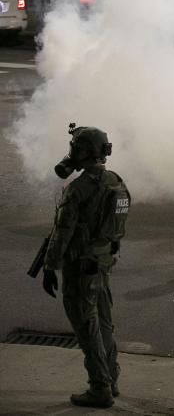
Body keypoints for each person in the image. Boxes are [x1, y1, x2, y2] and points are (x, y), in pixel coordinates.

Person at [42, 124, 132, 408]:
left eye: (77, 149)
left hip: (80, 267)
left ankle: (99, 387)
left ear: (85, 152)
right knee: (104, 323)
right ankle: (111, 378)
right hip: (103, 264)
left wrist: (49, 267)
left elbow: (62, 233)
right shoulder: (116, 181)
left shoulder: (78, 189)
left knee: (86, 327)